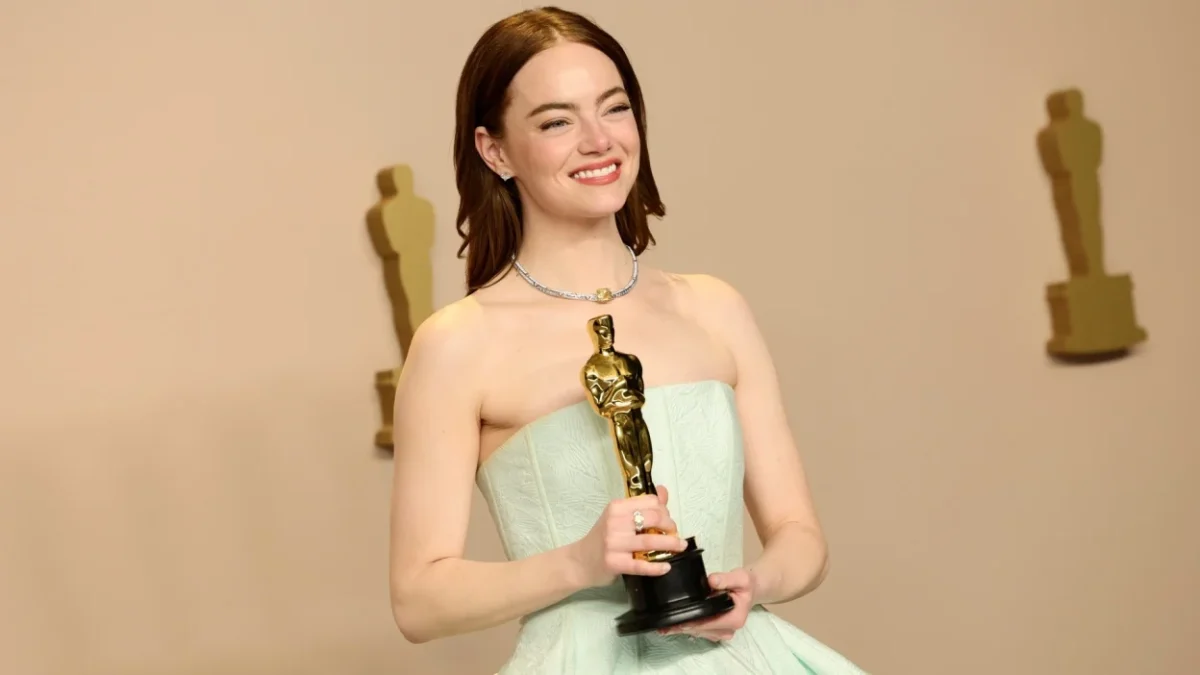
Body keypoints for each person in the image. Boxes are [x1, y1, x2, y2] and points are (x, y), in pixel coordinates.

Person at [388, 7, 867, 673]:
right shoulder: (458, 344)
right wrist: (578, 561)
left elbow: (801, 536)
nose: (598, 140)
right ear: (494, 150)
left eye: (613, 109)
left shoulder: (714, 307)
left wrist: (754, 583)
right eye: (557, 121)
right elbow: (418, 599)